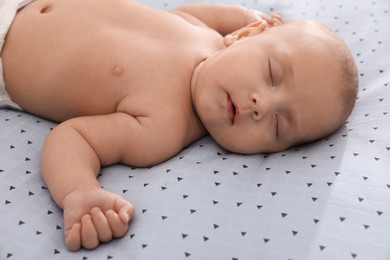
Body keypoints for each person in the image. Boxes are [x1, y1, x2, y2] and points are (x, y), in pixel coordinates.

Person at [0, 0, 358, 251]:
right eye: (271, 73)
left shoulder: (162, 128)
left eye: (280, 125)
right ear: (245, 34)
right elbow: (190, 13)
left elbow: (71, 137)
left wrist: (80, 192)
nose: (261, 105)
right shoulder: (203, 31)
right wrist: (250, 15)